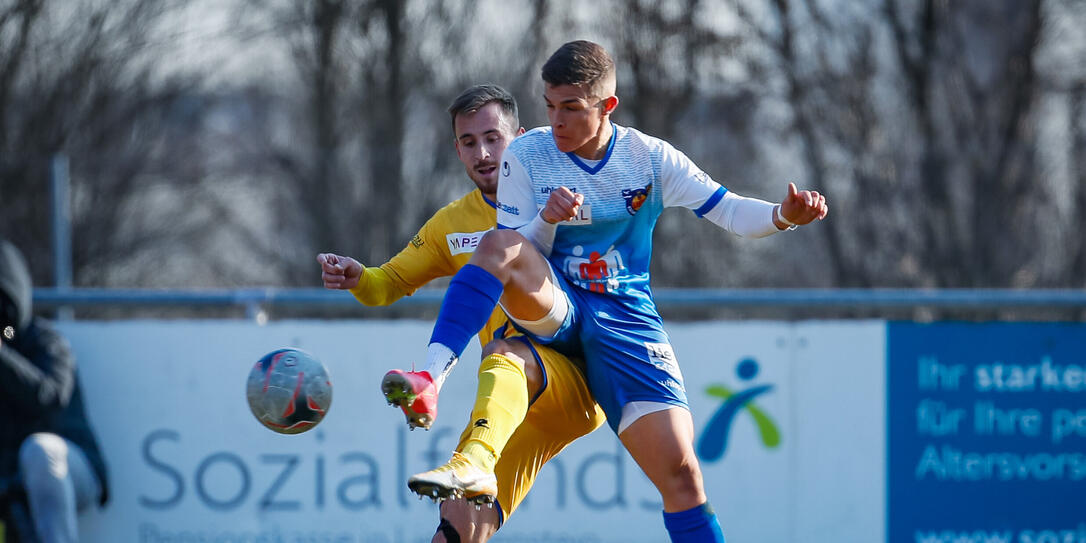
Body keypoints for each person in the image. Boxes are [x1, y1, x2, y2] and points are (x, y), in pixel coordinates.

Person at [396, 40, 829, 542]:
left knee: (684, 478)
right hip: (555, 309)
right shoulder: (527, 155)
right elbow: (516, 248)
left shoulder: (649, 159)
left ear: (607, 107)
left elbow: (729, 210)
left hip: (624, 323)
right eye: (549, 106)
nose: (556, 121)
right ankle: (431, 376)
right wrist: (548, 220)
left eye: (571, 108)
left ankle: (477, 460)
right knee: (497, 250)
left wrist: (782, 216)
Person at [317, 84, 605, 542]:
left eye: (494, 138)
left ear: (523, 138)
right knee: (457, 531)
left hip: (573, 378)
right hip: (505, 397)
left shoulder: (563, 198)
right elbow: (388, 283)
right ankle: (472, 463)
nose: (484, 153)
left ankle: (444, 402)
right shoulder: (451, 225)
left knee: (506, 350)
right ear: (457, 150)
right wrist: (360, 277)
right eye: (469, 142)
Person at [0, 239, 110, 543]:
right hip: (9, 480)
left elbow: (48, 399)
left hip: (68, 470)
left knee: (39, 450)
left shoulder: (46, 342)